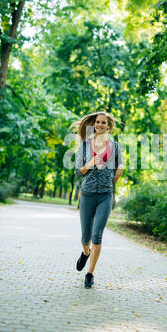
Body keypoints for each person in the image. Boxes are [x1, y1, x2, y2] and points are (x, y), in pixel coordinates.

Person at [69, 111, 125, 288]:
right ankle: (85, 253)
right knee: (86, 238)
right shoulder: (84, 146)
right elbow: (78, 172)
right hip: (87, 194)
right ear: (94, 124)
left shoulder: (114, 146)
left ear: (108, 126)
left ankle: (90, 273)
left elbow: (120, 162)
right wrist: (89, 164)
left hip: (105, 194)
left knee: (97, 235)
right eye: (97, 122)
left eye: (103, 123)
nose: (100, 125)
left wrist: (121, 167)